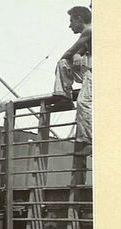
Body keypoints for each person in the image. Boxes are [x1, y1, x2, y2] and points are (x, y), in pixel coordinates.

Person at [50, 6, 92, 155]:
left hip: (95, 73)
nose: (70, 25)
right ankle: (64, 97)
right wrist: (77, 55)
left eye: (71, 21)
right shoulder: (89, 34)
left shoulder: (89, 30)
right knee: (64, 64)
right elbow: (80, 50)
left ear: (79, 19)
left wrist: (70, 54)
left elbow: (70, 51)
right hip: (87, 70)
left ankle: (88, 141)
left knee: (84, 102)